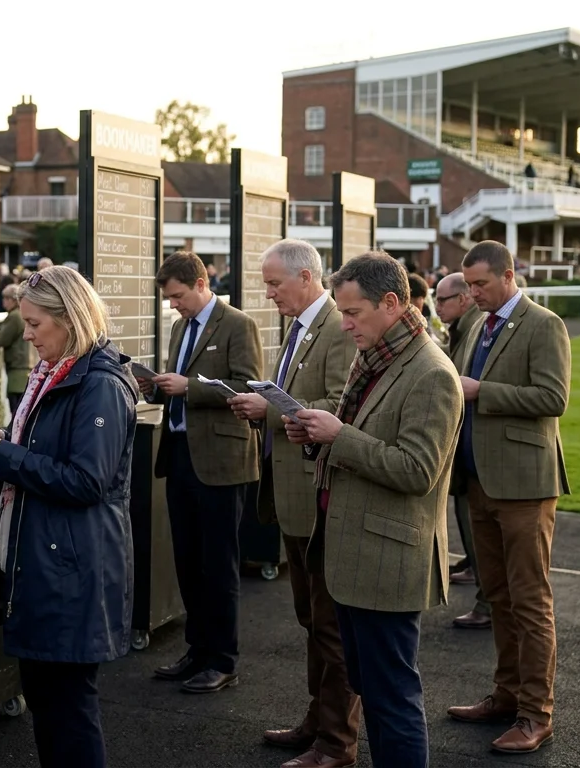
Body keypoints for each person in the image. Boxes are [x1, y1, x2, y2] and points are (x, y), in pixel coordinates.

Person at [286, 252, 462, 768]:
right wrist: (316, 435)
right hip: (354, 552)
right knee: (372, 688)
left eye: (353, 313)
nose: (344, 324)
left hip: (387, 559)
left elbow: (416, 471)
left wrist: (338, 436)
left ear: (391, 303)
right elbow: (360, 441)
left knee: (393, 700)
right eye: (341, 312)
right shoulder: (379, 358)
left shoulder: (431, 372)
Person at [0, 265, 137, 768]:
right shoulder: (59, 375)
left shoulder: (99, 384)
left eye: (37, 324)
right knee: (52, 705)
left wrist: (6, 457)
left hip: (71, 567)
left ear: (71, 319)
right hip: (53, 561)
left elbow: (87, 480)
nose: (30, 335)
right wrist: (7, 442)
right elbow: (57, 454)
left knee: (67, 710)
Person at [230, 240, 357, 768]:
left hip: (318, 496)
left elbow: (343, 405)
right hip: (293, 496)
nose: (268, 292)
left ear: (307, 278)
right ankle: (317, 722)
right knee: (310, 619)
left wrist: (272, 406)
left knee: (329, 625)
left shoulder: (336, 326)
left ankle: (336, 743)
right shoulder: (301, 325)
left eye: (275, 282)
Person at [447, 241, 570, 755]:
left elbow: (553, 398)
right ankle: (506, 695)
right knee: (497, 597)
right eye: (468, 285)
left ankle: (535, 714)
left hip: (523, 486)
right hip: (479, 482)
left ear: (508, 276)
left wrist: (481, 392)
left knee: (529, 601)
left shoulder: (544, 324)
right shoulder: (478, 323)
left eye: (480, 284)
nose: (472, 293)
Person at [139, 251, 263, 695]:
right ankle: (197, 650)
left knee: (218, 565)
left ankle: (222, 659)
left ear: (200, 283)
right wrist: (157, 384)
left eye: (178, 296)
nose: (174, 305)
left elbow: (248, 386)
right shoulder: (179, 327)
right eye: (169, 299)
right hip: (179, 456)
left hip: (222, 463)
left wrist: (188, 387)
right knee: (188, 562)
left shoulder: (237, 324)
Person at [433, 273, 490, 627]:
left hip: (477, 453)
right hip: (470, 451)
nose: (437, 307)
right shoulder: (467, 328)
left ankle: (488, 604)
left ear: (463, 300)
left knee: (480, 532)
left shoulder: (475, 328)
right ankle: (481, 583)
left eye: (443, 301)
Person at [0, 283, 31, 421]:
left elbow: (2, 340)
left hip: (17, 370)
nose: (3, 302)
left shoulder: (14, 317)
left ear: (11, 300)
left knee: (16, 412)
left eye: (5, 299)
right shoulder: (25, 314)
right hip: (28, 367)